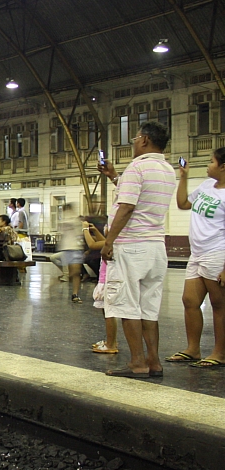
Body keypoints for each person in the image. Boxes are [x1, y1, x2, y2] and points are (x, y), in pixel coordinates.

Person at [98, 121, 175, 378]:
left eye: (134, 138)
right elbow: (140, 197)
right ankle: (154, 362)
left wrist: (109, 242)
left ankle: (137, 363)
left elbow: (128, 207)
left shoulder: (137, 167)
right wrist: (115, 177)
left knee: (127, 306)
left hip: (131, 248)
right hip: (156, 249)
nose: (132, 142)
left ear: (144, 140)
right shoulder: (167, 170)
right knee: (149, 309)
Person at [167, 150, 225, 368]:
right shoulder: (206, 186)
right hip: (197, 253)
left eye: (212, 162)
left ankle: (220, 352)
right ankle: (193, 349)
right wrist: (183, 176)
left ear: (223, 167)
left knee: (219, 305)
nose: (208, 166)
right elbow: (183, 203)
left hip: (218, 253)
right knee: (190, 301)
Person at [83, 220, 120, 355]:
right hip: (104, 280)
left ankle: (111, 343)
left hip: (107, 281)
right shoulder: (110, 241)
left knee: (109, 313)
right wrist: (95, 231)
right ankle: (111, 340)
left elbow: (92, 244)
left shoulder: (114, 242)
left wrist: (85, 230)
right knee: (107, 313)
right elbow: (103, 240)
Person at [57, 204, 85, 304]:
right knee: (72, 273)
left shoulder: (74, 220)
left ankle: (75, 294)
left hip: (75, 248)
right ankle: (55, 284)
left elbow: (79, 233)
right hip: (68, 248)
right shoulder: (66, 220)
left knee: (76, 272)